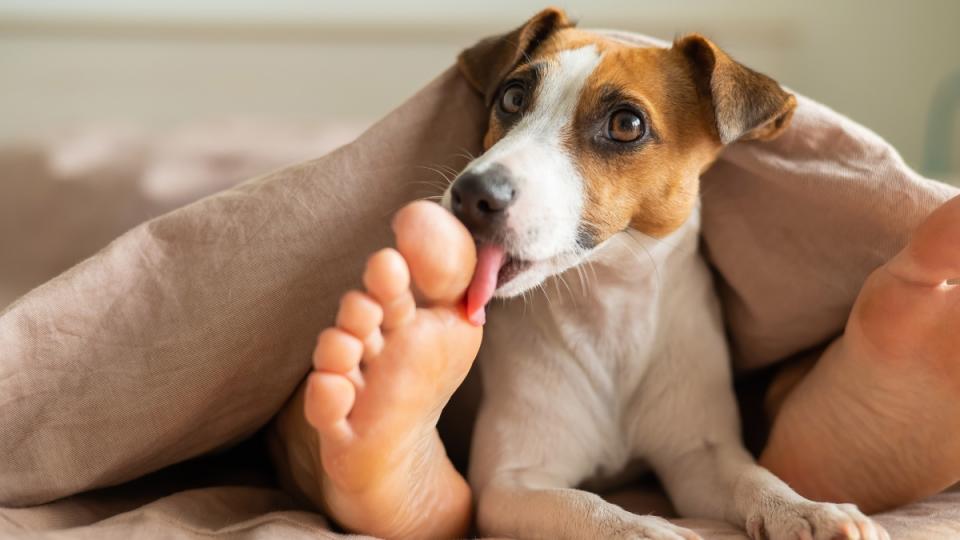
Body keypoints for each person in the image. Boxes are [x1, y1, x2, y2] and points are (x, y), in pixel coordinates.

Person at [272, 195, 960, 539]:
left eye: (626, 123)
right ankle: (394, 463)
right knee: (321, 404)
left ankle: (411, 484)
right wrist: (628, 530)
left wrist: (780, 507)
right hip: (529, 331)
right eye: (514, 105)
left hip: (666, 320)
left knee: (718, 454)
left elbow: (707, 464)